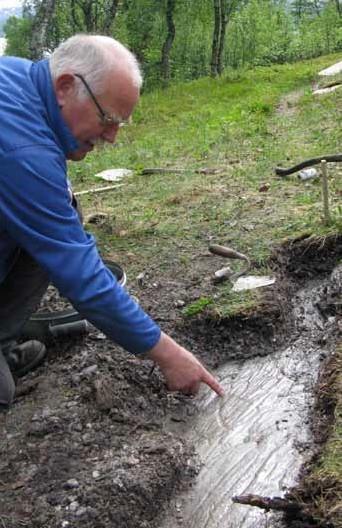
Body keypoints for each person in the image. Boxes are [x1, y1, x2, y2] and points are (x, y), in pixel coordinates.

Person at [0, 34, 224, 410]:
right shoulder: (23, 152)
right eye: (107, 119)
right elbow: (82, 276)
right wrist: (168, 355)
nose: (113, 136)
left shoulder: (17, 77)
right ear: (65, 86)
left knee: (59, 214)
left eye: (121, 123)